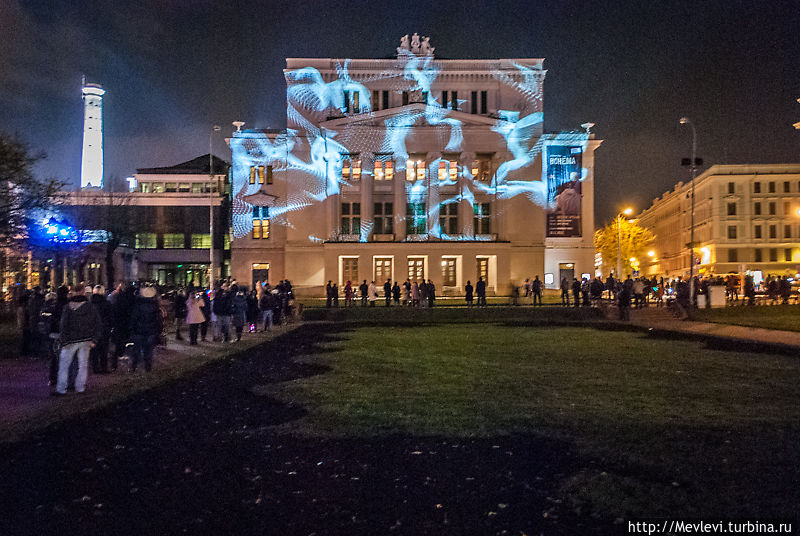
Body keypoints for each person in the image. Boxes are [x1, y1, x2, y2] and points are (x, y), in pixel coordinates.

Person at [55, 283, 101, 395]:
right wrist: (94, 339)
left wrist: (63, 341)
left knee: (64, 365)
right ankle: (80, 388)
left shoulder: (67, 308)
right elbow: (97, 324)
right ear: (83, 292)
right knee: (83, 365)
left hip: (70, 341)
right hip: (86, 340)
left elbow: (63, 325)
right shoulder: (90, 307)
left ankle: (61, 389)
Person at [129, 285, 162, 372]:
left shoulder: (138, 304)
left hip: (139, 331)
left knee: (136, 350)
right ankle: (148, 367)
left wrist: (132, 328)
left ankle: (134, 366)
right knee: (149, 350)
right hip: (151, 331)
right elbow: (158, 319)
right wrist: (158, 330)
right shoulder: (155, 305)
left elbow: (134, 318)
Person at [90, 285, 112, 373]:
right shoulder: (107, 303)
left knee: (94, 349)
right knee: (104, 349)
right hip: (104, 329)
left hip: (93, 329)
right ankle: (104, 367)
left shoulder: (90, 304)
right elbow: (110, 317)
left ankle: (95, 367)